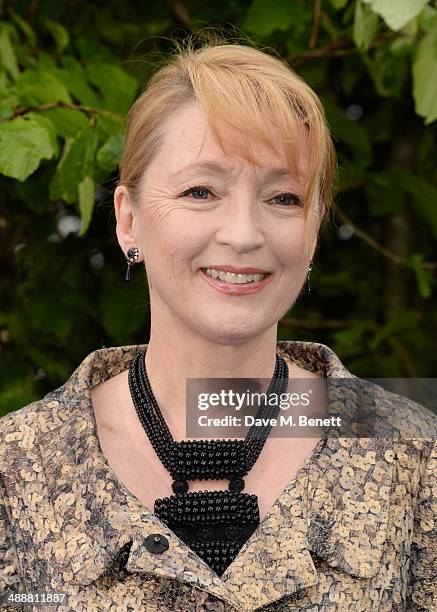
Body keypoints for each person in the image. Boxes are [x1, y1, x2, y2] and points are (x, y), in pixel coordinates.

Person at [1, 34, 436, 612]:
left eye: (282, 198)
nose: (243, 233)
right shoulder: (16, 468)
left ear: (313, 228)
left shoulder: (412, 452)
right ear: (128, 221)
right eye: (200, 191)